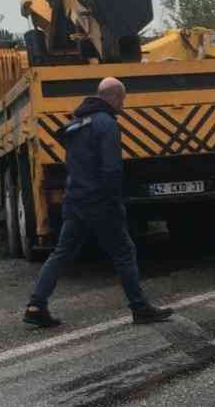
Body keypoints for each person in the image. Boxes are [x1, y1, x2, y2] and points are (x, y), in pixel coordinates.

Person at [22, 77, 172, 328]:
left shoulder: (77, 123)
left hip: (75, 200)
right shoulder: (106, 124)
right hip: (100, 202)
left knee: (62, 253)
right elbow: (111, 169)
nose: (123, 105)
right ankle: (139, 307)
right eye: (122, 99)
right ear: (112, 97)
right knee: (124, 252)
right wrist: (114, 201)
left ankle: (36, 305)